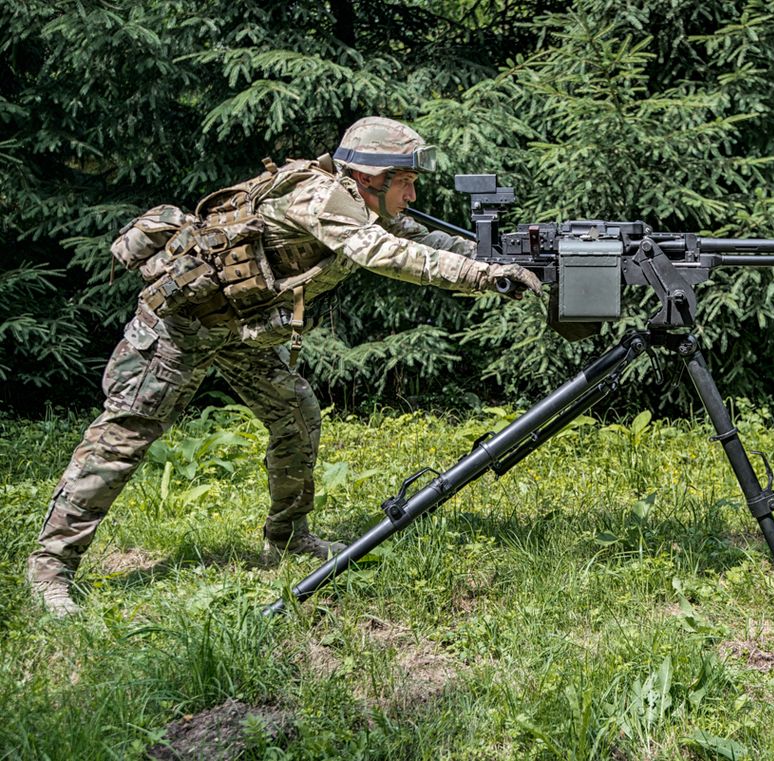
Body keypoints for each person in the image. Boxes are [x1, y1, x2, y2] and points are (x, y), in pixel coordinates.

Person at [27, 117, 542, 616]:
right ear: (367, 177)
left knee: (296, 415)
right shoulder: (318, 196)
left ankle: (288, 537)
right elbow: (383, 254)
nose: (411, 196)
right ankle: (50, 568)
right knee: (125, 438)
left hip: (240, 330)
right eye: (403, 182)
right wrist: (481, 275)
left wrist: (499, 261)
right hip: (180, 328)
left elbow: (423, 240)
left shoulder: (363, 202)